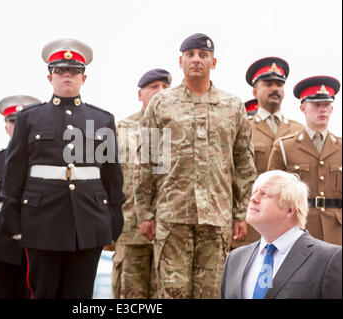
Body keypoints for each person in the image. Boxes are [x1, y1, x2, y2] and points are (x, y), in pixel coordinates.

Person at [134, 33, 256, 299]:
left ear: (214, 62)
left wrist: (240, 213)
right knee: (172, 293)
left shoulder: (233, 106)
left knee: (213, 294)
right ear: (180, 61)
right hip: (172, 217)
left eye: (203, 55)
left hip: (217, 219)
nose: (197, 60)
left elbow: (243, 162)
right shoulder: (161, 103)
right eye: (190, 55)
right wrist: (145, 211)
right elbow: (146, 160)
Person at [1, 38, 125, 299]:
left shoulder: (101, 119)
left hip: (89, 219)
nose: (67, 75)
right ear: (50, 77)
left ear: (84, 78)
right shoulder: (28, 118)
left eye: (74, 71)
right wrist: (12, 215)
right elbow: (15, 171)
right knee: (43, 291)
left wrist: (114, 218)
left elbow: (112, 174)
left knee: (80, 295)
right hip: (41, 220)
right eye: (60, 71)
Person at [221, 170, 342, 299]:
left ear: (289, 210)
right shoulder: (235, 259)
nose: (253, 199)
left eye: (264, 194)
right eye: (253, 192)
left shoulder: (329, 259)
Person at [231, 57, 303, 250]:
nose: (275, 89)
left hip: (288, 222)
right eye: (268, 84)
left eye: (279, 84)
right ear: (255, 91)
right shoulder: (242, 129)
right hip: (252, 219)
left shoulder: (299, 131)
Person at [111, 69, 171, 299]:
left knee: (163, 294)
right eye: (153, 87)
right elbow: (107, 179)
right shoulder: (119, 130)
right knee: (129, 295)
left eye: (165, 87)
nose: (160, 92)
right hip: (128, 228)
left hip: (168, 229)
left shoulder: (177, 129)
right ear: (140, 94)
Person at [0, 95, 41, 299]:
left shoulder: (46, 160)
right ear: (6, 126)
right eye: (13, 121)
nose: (18, 126)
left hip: (37, 242)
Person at [268, 76, 341, 245]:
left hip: (336, 233)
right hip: (300, 230)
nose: (322, 109)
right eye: (316, 105)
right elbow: (272, 194)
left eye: (327, 105)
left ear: (331, 110)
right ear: (303, 108)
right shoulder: (285, 148)